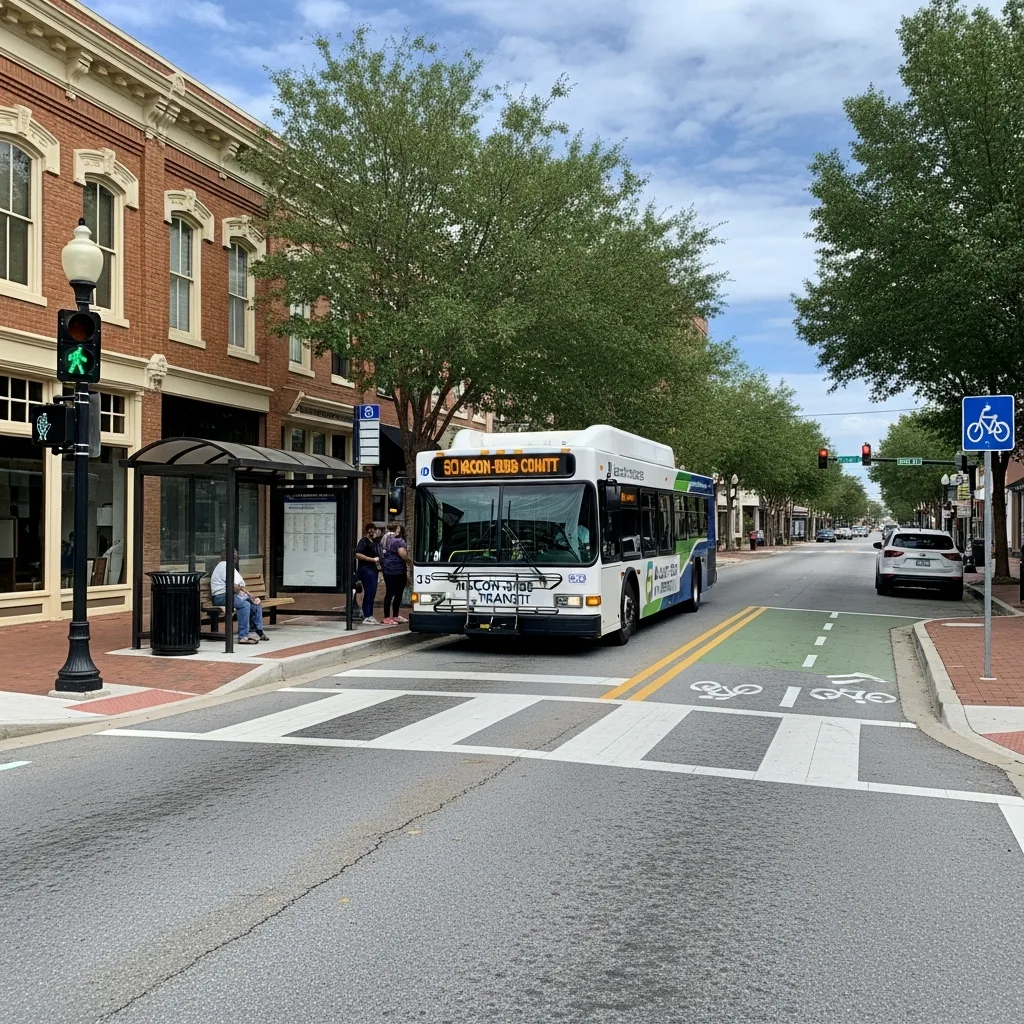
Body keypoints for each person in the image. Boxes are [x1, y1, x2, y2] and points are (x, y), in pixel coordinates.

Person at [210, 549, 266, 644]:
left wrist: (250, 595)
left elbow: (239, 587)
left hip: (230, 595)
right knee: (245, 605)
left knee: (255, 603)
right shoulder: (224, 565)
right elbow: (234, 587)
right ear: (225, 556)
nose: (236, 556)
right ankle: (243, 636)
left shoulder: (231, 567)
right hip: (221, 597)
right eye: (233, 555)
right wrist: (243, 593)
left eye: (236, 554)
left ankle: (257, 632)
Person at [380, 522, 410, 625]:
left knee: (389, 593)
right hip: (398, 570)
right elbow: (403, 555)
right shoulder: (399, 541)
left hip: (387, 570)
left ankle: (386, 617)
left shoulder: (384, 539)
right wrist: (410, 563)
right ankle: (395, 615)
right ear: (397, 529)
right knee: (398, 593)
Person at [355, 522, 382, 625]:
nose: (372, 531)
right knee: (370, 592)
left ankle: (369, 614)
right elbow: (357, 554)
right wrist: (371, 559)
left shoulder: (373, 542)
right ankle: (367, 615)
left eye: (373, 529)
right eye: (370, 529)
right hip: (366, 569)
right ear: (367, 530)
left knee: (372, 592)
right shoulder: (363, 541)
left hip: (373, 569)